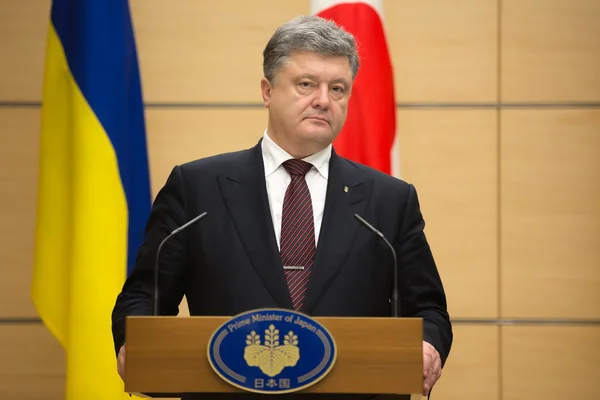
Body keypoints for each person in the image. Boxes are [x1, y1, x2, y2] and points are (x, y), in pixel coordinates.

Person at [112, 15, 452, 400]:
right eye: (307, 84)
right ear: (267, 90)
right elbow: (145, 295)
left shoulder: (389, 200)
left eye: (338, 88)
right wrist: (133, 341)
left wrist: (429, 346)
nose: (324, 100)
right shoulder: (197, 188)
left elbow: (428, 309)